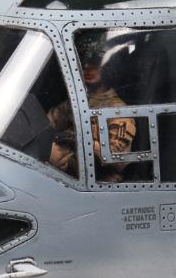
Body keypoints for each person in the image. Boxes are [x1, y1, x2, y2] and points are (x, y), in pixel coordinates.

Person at [49, 35, 137, 181]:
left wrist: (77, 140)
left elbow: (117, 157)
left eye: (95, 63)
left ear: (108, 67)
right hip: (70, 173)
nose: (87, 68)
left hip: (97, 181)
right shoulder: (76, 102)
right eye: (84, 62)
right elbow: (49, 122)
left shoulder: (118, 110)